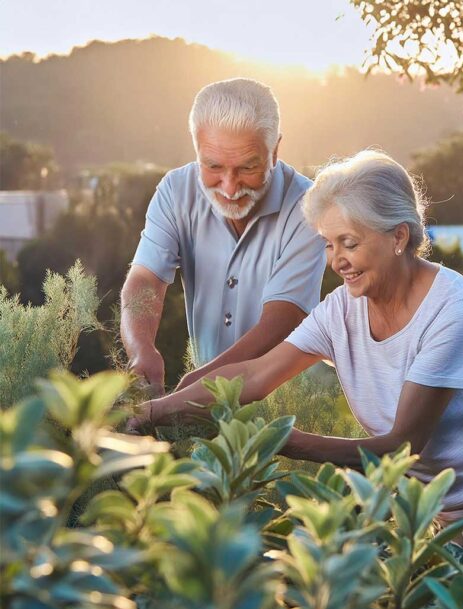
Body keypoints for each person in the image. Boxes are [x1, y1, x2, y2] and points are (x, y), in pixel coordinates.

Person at [128, 150, 463, 609]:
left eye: (349, 243)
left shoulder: (452, 313)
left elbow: (400, 448)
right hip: (437, 502)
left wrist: (279, 440)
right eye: (329, 244)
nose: (337, 261)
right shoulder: (343, 310)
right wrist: (149, 413)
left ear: (399, 236)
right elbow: (254, 374)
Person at [120, 78, 326, 395]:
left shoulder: (307, 207)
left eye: (247, 167)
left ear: (275, 151)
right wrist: (141, 350)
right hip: (207, 405)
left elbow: (284, 318)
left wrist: (195, 386)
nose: (230, 188)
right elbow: (146, 279)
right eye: (213, 166)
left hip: (292, 405)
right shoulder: (175, 191)